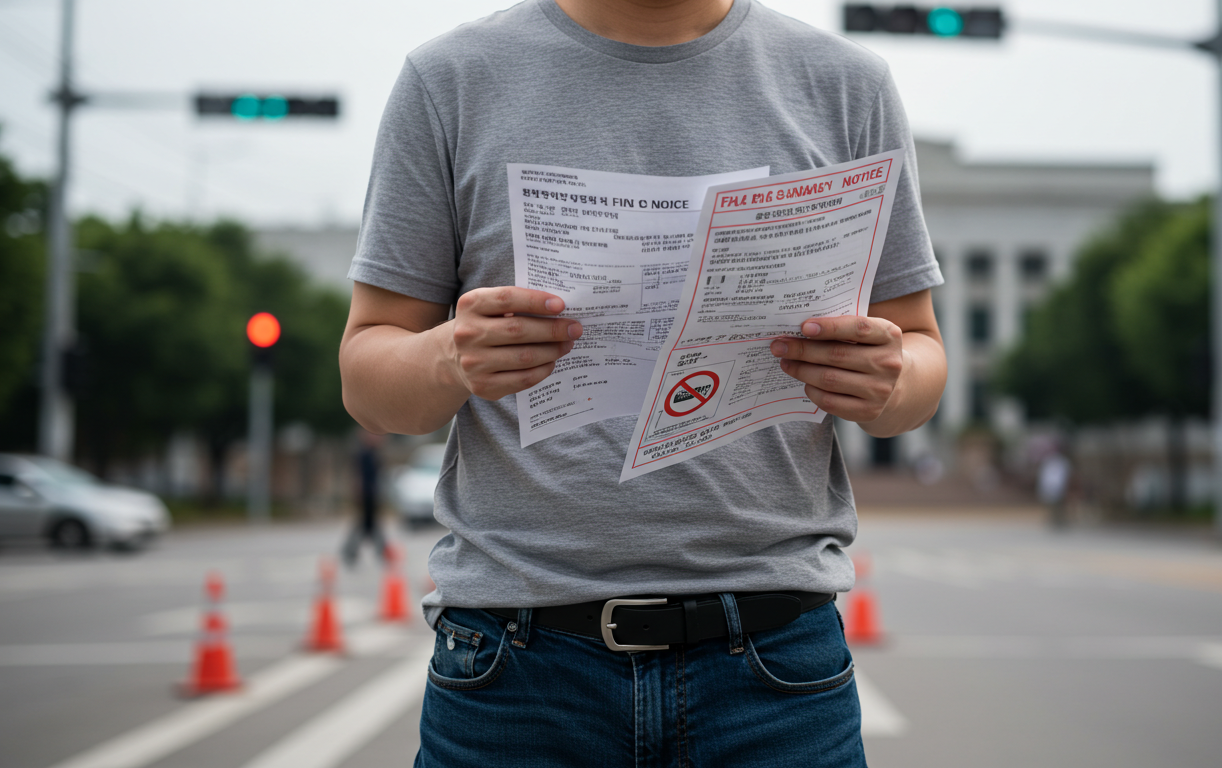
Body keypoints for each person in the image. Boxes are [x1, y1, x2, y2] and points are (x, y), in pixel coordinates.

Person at [339, 1, 948, 765]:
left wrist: (888, 380)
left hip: (774, 669)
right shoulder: (451, 80)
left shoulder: (846, 85)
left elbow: (919, 352)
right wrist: (448, 358)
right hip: (518, 666)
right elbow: (368, 375)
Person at [342, 428, 388, 565]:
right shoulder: (363, 454)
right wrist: (359, 493)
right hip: (366, 494)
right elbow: (358, 476)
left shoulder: (374, 453)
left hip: (373, 493)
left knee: (369, 524)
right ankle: (351, 550)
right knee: (367, 524)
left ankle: (380, 550)